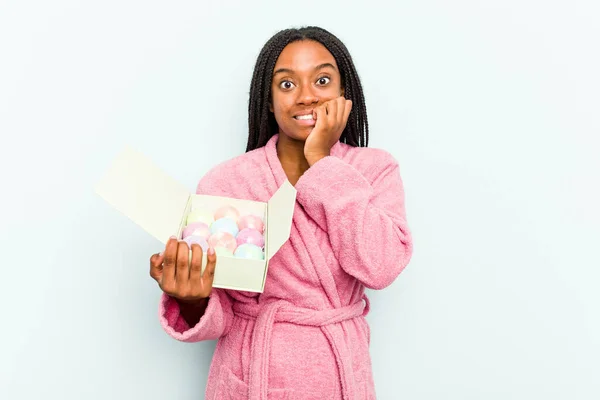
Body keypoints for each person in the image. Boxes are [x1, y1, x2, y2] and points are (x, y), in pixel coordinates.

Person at [149, 26, 413, 400]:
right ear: (268, 101)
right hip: (251, 374)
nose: (306, 97)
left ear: (344, 93)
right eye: (287, 85)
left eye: (322, 80)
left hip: (337, 376)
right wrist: (191, 298)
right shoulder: (228, 181)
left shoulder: (373, 170)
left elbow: (382, 265)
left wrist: (321, 161)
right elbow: (219, 311)